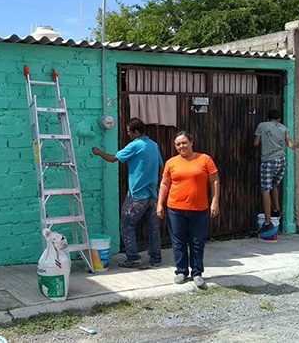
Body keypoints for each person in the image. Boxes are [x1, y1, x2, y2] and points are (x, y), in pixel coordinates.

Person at [92, 117, 163, 268]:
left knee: (126, 224)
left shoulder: (135, 145)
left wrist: (98, 152)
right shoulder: (154, 145)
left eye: (129, 132)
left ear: (136, 132)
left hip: (137, 195)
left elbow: (113, 158)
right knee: (153, 228)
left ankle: (133, 257)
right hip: (152, 195)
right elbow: (161, 166)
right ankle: (156, 258)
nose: (128, 134)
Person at [157, 131, 220, 289]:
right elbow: (164, 184)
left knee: (197, 242)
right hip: (175, 209)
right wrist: (160, 204)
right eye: (178, 144)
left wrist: (215, 201)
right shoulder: (171, 163)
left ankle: (197, 273)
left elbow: (214, 181)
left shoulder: (205, 159)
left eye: (184, 142)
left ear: (191, 142)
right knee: (178, 242)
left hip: (199, 209)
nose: (181, 146)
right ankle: (181, 271)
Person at [254, 109, 299, 233]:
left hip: (268, 161)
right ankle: (276, 209)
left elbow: (256, 143)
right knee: (275, 183)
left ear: (268, 117)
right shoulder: (284, 128)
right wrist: (297, 145)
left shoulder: (262, 125)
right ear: (279, 119)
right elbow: (291, 145)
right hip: (281, 160)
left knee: (265, 189)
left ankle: (267, 221)